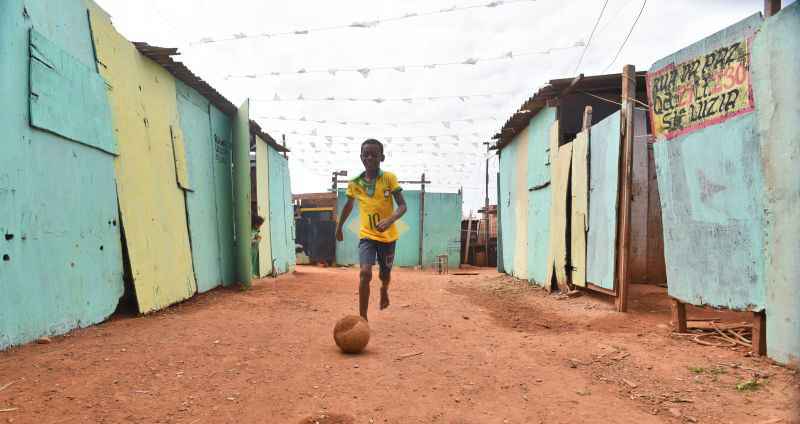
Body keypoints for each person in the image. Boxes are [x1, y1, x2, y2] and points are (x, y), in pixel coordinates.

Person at [336, 139, 407, 320]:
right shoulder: (355, 183)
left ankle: (384, 289)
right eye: (365, 154)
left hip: (388, 237)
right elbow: (348, 206)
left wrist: (390, 220)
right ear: (361, 157)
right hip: (367, 236)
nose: (369, 158)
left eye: (374, 155)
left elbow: (402, 206)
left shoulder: (389, 178)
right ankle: (362, 318)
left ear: (381, 157)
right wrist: (339, 227)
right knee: (365, 273)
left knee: (385, 274)